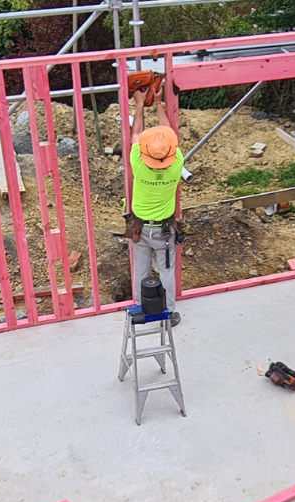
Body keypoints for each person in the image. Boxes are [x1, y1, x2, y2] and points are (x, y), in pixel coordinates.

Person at [128, 82, 184, 327]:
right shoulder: (177, 164)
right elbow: (167, 132)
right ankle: (169, 313)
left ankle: (143, 308)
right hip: (164, 230)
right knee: (166, 270)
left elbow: (136, 135)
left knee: (141, 271)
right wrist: (159, 102)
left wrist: (140, 105)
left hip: (140, 228)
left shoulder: (138, 164)